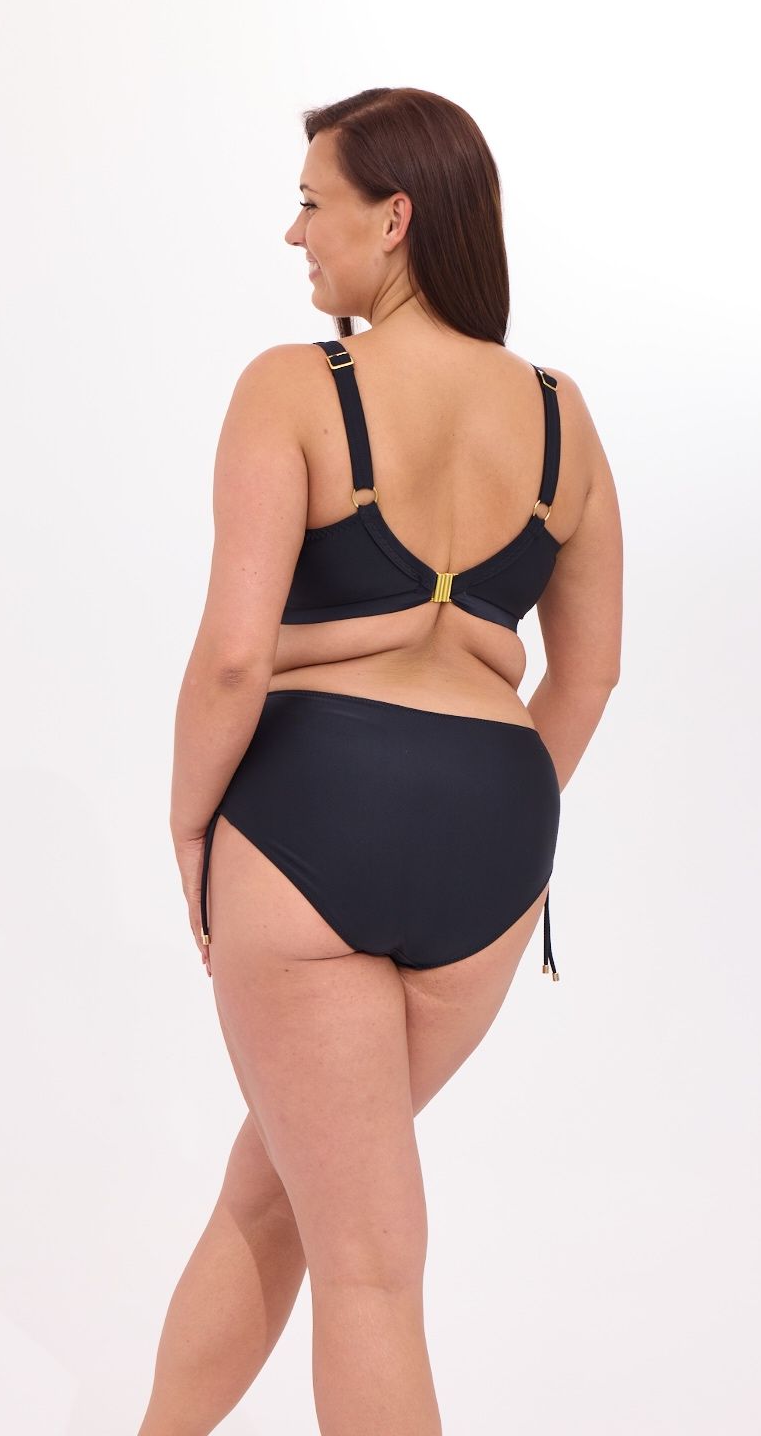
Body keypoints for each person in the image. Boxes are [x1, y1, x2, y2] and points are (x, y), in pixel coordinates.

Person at [143, 86, 623, 1436]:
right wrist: (495, 821)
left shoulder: (294, 386)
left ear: (393, 218)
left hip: (315, 819)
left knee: (365, 1264)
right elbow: (589, 672)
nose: (295, 234)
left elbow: (233, 657)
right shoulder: (563, 417)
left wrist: (190, 828)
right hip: (496, 839)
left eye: (313, 202)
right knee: (276, 1193)